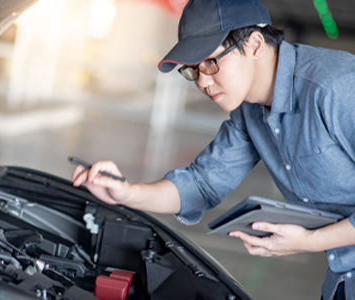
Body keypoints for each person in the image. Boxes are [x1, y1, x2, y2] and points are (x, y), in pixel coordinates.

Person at [71, 0, 355, 299]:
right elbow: (201, 184)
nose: (203, 82)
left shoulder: (336, 88)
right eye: (193, 70)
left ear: (255, 44)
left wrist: (309, 240)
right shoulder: (250, 112)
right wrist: (126, 192)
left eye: (210, 62)